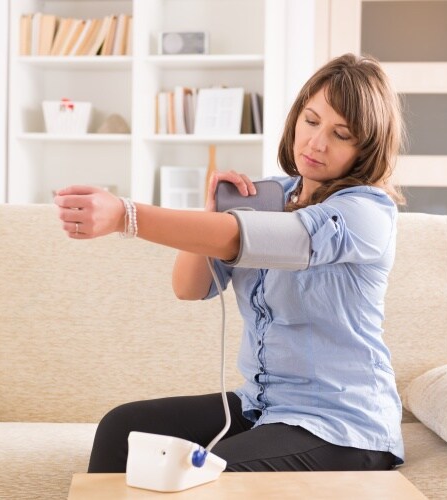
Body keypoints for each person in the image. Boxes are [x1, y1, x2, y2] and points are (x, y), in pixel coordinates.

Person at [54, 53, 406, 472]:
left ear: (365, 148)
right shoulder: (271, 194)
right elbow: (189, 288)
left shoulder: (366, 212)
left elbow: (260, 239)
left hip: (340, 425)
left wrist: (125, 216)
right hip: (261, 406)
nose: (317, 142)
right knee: (123, 428)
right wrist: (210, 211)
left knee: (207, 474)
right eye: (311, 121)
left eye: (341, 134)